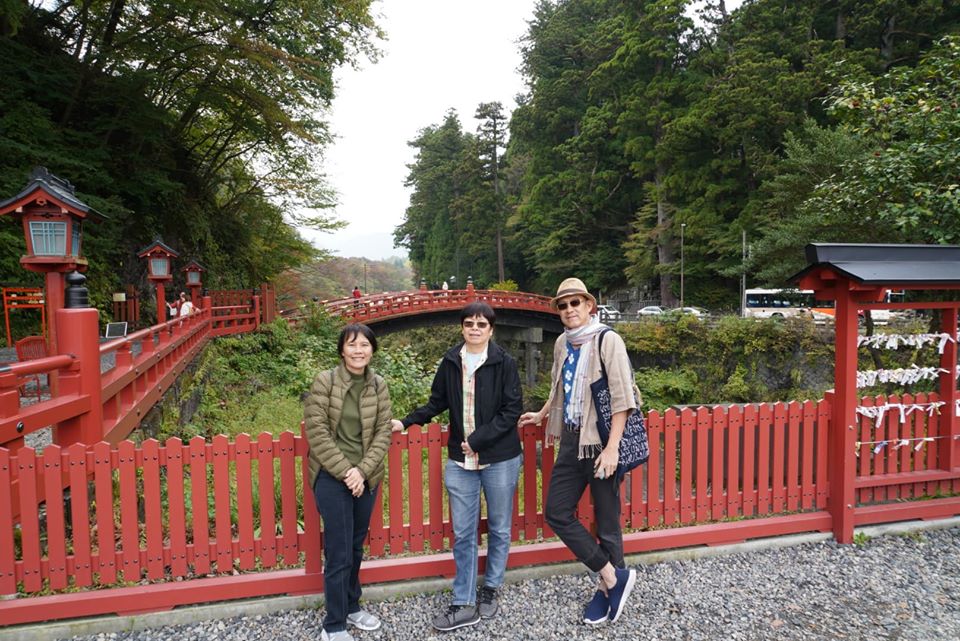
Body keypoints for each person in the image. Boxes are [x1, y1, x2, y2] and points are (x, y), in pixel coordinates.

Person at [390, 302, 522, 631]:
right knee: (463, 532)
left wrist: (477, 440)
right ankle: (463, 599)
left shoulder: (504, 362)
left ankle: (491, 588)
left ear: (491, 330)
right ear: (462, 327)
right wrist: (406, 421)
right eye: (469, 324)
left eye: (481, 324)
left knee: (499, 528)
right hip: (461, 462)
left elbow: (511, 410)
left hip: (499, 458)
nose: (475, 329)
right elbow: (437, 401)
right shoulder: (451, 361)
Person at [518, 277, 638, 625]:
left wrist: (612, 449)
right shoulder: (562, 343)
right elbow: (559, 386)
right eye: (563, 305)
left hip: (601, 441)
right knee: (557, 511)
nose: (569, 309)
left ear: (589, 306)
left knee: (607, 520)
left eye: (575, 303)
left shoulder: (607, 340)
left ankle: (606, 590)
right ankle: (612, 576)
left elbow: (623, 397)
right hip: (572, 440)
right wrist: (542, 414)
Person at [304, 324, 394, 641]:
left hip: (365, 477)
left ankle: (352, 606)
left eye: (365, 345)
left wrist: (362, 471)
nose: (358, 350)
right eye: (352, 344)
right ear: (342, 350)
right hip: (332, 476)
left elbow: (383, 433)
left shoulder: (378, 386)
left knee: (355, 546)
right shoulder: (325, 381)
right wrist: (347, 471)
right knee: (339, 550)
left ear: (373, 350)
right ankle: (334, 625)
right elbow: (317, 432)